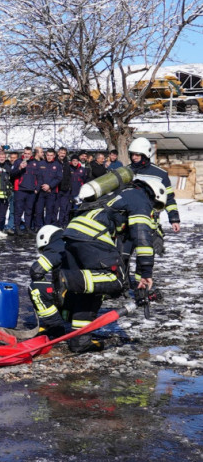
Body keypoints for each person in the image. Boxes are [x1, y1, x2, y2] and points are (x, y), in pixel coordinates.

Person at [57, 175, 166, 352]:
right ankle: (69, 280)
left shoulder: (120, 194)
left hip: (73, 232)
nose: (152, 211)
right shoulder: (140, 199)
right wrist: (146, 272)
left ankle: (80, 340)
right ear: (154, 194)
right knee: (116, 281)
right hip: (92, 235)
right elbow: (142, 237)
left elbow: (124, 247)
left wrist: (140, 279)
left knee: (93, 289)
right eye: (154, 207)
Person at [127, 137, 180, 233]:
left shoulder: (160, 174)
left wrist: (174, 219)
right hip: (127, 225)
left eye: (137, 155)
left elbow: (169, 198)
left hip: (150, 225)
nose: (133, 157)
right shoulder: (126, 172)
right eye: (132, 154)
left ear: (145, 155)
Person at [28, 225, 68, 339]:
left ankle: (55, 327)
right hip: (87, 289)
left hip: (72, 291)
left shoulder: (56, 246)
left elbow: (36, 271)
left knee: (35, 289)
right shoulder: (69, 241)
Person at [10, 146, 39, 235]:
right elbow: (12, 174)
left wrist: (36, 189)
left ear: (31, 154)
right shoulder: (18, 162)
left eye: (28, 154)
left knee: (29, 211)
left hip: (31, 191)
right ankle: (17, 228)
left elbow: (39, 177)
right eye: (25, 153)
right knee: (18, 210)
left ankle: (28, 227)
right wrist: (19, 168)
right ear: (23, 153)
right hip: (20, 190)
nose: (26, 155)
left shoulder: (35, 163)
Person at [34, 148, 62, 229]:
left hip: (51, 191)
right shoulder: (41, 163)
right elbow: (38, 176)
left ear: (54, 156)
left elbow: (59, 178)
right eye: (48, 155)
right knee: (39, 210)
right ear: (46, 155)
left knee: (50, 210)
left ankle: (47, 227)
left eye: (51, 155)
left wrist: (49, 186)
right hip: (41, 191)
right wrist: (43, 186)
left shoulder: (57, 165)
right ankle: (38, 227)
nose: (49, 157)